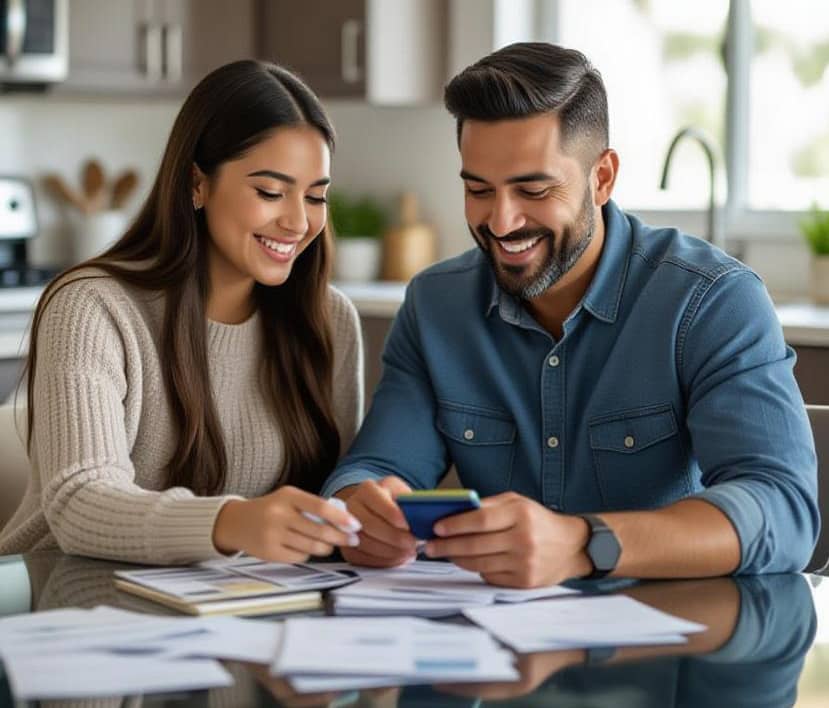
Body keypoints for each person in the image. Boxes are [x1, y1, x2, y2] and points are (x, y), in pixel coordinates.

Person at [321, 43, 819, 586]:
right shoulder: (434, 306)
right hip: (498, 647)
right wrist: (362, 509)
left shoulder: (712, 301)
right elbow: (376, 468)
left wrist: (585, 544)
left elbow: (783, 509)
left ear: (601, 178)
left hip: (668, 647)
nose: (502, 221)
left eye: (533, 189)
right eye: (478, 190)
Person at [0, 60, 363, 564]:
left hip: (240, 611)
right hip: (62, 599)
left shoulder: (328, 319)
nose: (298, 222)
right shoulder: (92, 308)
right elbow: (79, 502)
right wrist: (235, 522)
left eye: (316, 196)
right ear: (198, 183)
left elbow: (333, 496)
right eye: (270, 193)